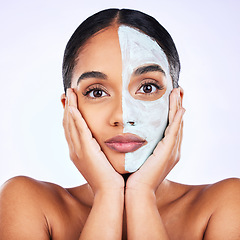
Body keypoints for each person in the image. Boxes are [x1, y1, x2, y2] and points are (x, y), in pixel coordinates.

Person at [0, 8, 239, 240]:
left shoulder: (225, 205)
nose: (123, 116)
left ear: (176, 103)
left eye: (148, 87)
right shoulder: (27, 203)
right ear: (68, 108)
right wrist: (107, 194)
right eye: (96, 92)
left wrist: (142, 194)